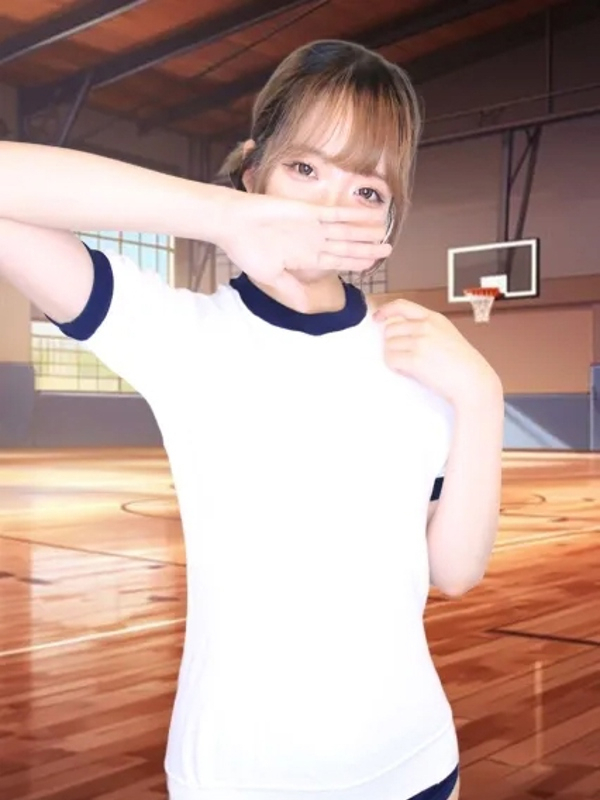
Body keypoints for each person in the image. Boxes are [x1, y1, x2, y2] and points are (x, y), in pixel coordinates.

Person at [0, 39, 504, 800]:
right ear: (253, 173)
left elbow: (455, 571)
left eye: (367, 189)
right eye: (304, 168)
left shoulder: (422, 357)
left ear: (388, 225)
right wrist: (221, 218)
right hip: (238, 777)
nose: (329, 205)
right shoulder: (180, 333)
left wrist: (483, 397)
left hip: (418, 768)